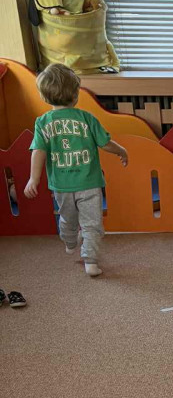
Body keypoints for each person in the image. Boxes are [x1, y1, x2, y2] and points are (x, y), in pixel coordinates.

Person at [25, 63, 128, 278]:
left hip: (62, 185)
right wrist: (121, 150)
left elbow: (38, 151)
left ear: (44, 96)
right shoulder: (86, 118)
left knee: (67, 218)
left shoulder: (42, 122)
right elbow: (105, 143)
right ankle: (89, 260)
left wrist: (33, 179)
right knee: (92, 224)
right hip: (89, 182)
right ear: (75, 94)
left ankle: (72, 243)